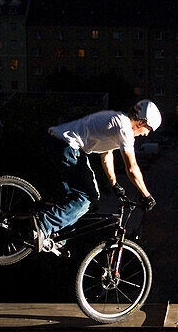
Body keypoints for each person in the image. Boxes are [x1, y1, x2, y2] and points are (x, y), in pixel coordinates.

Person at [33, 99, 160, 253]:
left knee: (73, 198)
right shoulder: (124, 127)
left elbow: (106, 156)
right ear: (141, 121)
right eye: (149, 129)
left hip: (58, 143)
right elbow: (132, 168)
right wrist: (146, 195)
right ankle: (42, 226)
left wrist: (114, 185)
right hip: (67, 146)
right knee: (88, 196)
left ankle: (56, 235)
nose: (146, 134)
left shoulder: (118, 122)